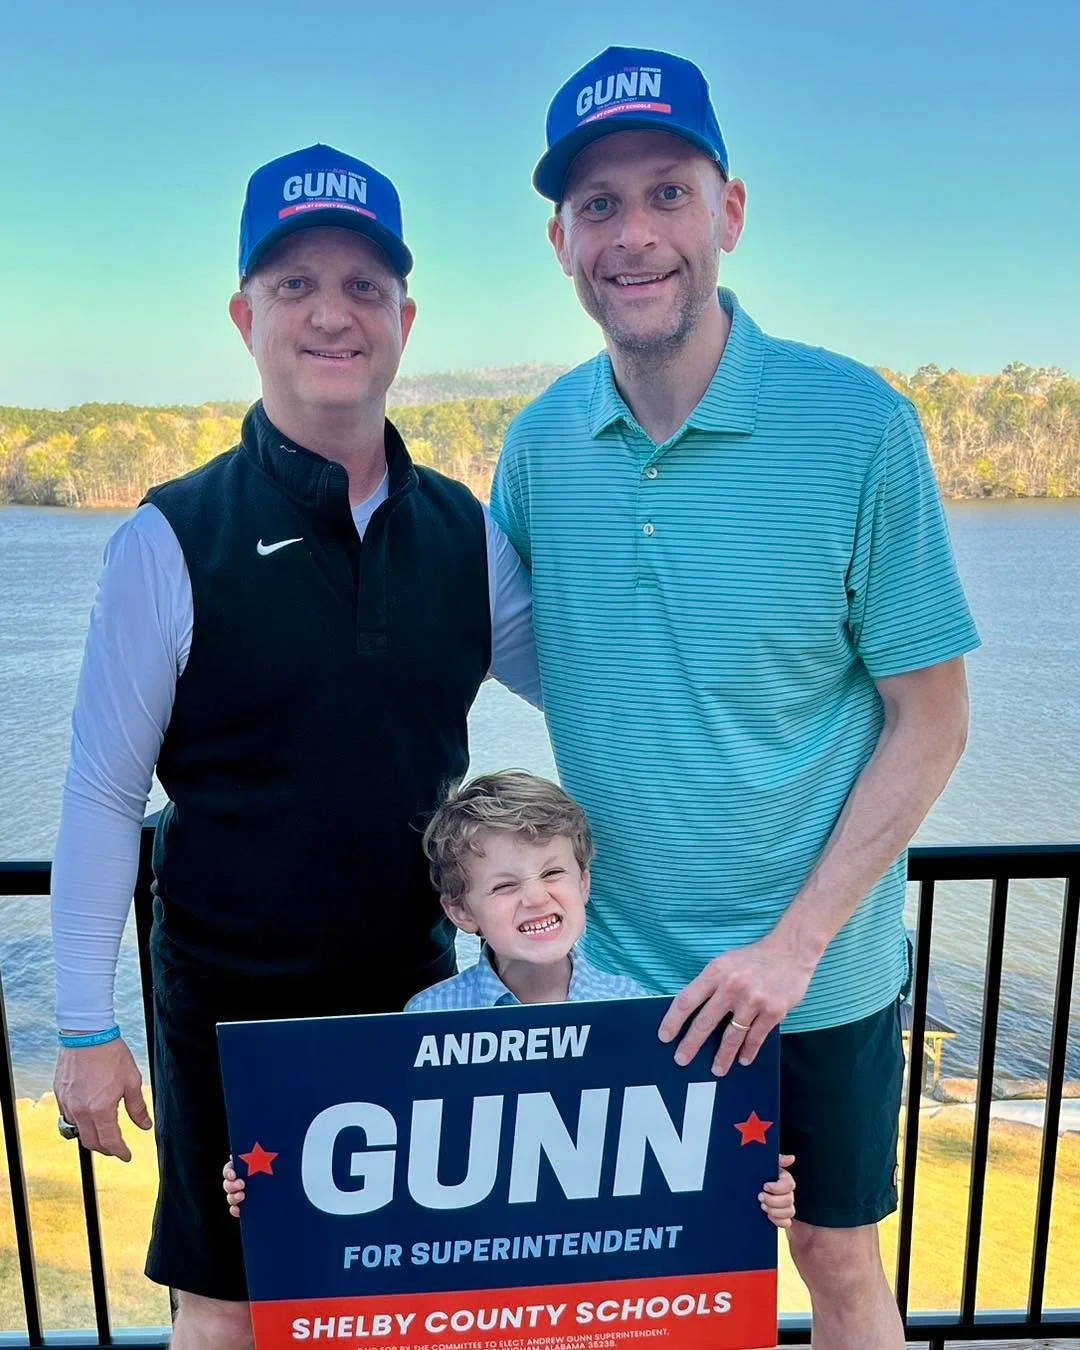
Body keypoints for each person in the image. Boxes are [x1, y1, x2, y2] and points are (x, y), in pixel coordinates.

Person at [490, 48, 979, 1350]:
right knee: (640, 1297)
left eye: (667, 191)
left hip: (814, 980)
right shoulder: (537, 445)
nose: (634, 232)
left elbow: (932, 719)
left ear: (731, 212)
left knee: (837, 1265)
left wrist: (793, 943)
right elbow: (540, 650)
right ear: (560, 239)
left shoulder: (859, 424)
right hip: (611, 984)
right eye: (599, 205)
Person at [49, 144, 540, 1350]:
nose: (333, 313)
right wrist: (81, 1028)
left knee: (397, 1308)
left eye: (365, 286)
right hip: (228, 1013)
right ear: (245, 314)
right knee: (225, 1315)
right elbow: (103, 795)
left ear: (405, 319)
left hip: (415, 995)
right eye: (296, 284)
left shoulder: (467, 539)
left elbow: (610, 700)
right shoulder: (171, 539)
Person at [223, 769, 797, 1229]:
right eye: (503, 885)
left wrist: (754, 1182)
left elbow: (691, 1159)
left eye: (553, 872)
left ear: (585, 884)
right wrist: (276, 1179)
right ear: (461, 912)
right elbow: (384, 1160)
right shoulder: (427, 1020)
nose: (535, 897)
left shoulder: (647, 1017)